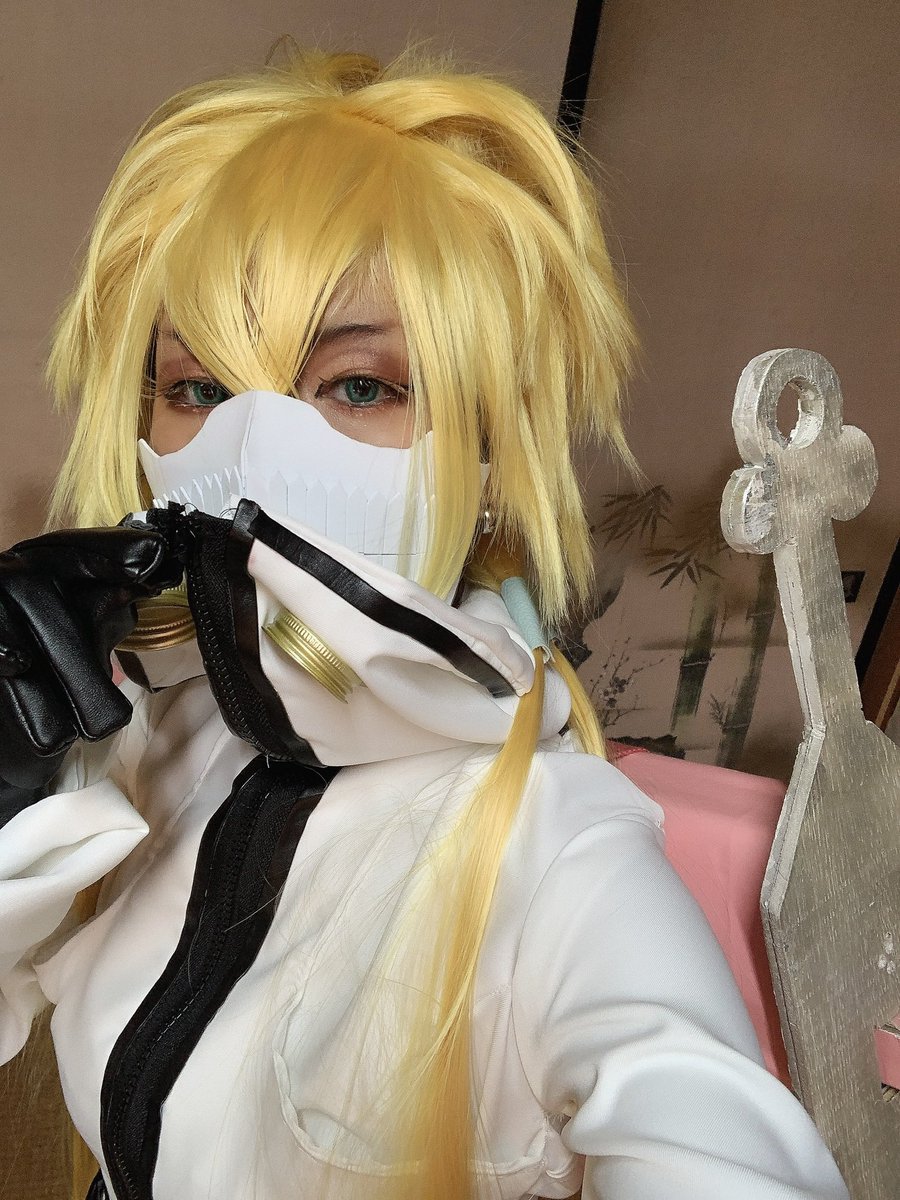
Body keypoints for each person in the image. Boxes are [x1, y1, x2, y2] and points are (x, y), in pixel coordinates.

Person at [0, 50, 848, 1200]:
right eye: (199, 389)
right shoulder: (143, 739)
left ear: (489, 458)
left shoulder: (557, 855)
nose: (252, 452)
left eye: (360, 386)